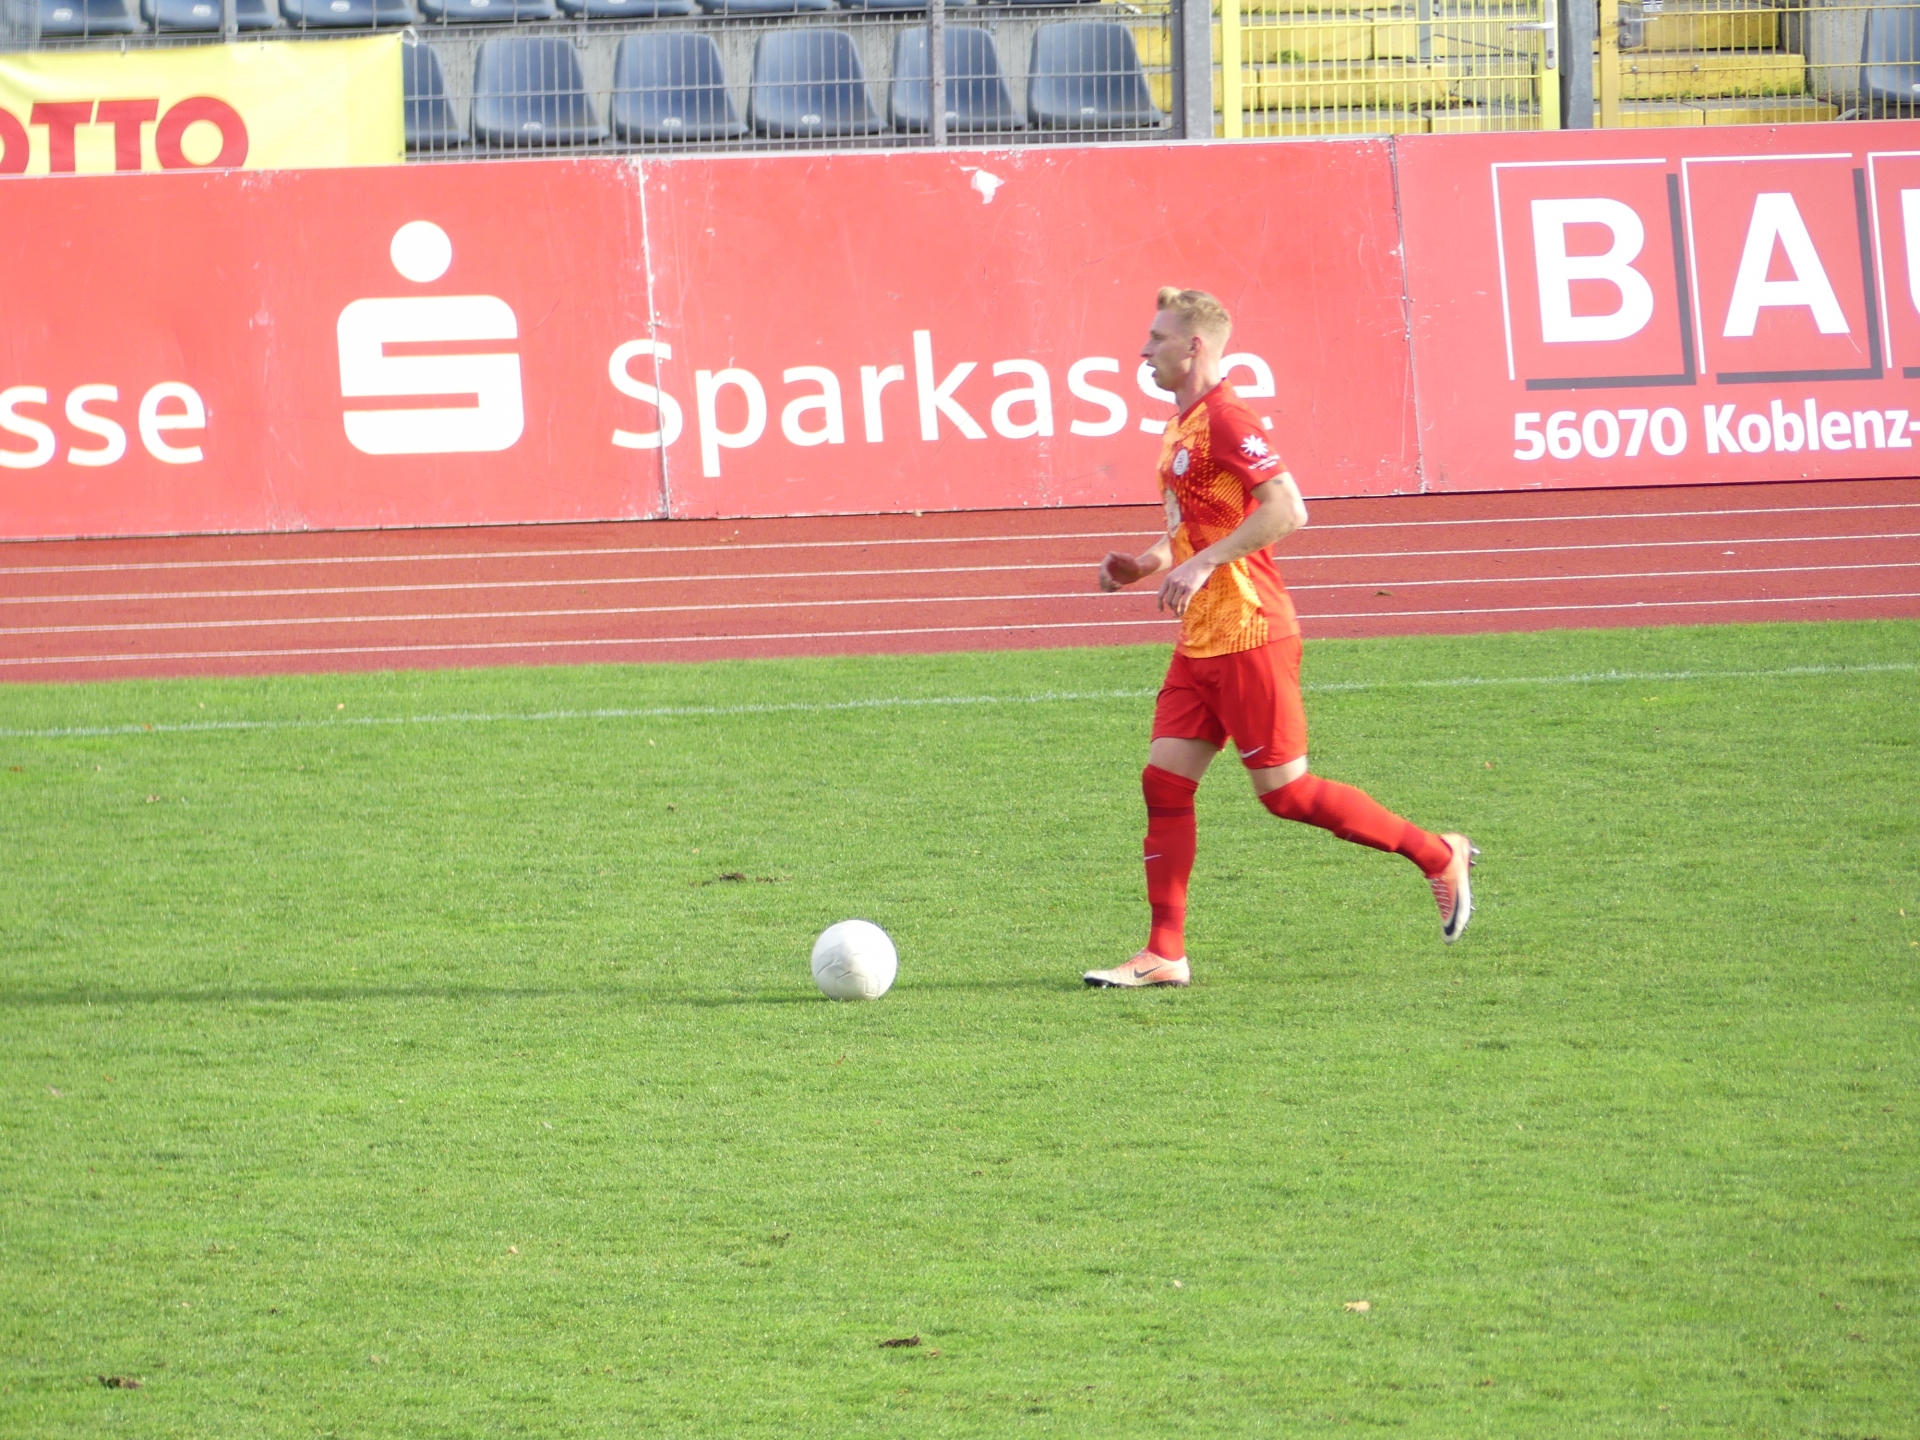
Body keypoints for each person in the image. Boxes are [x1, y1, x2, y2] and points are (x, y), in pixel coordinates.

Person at [1082, 287, 1476, 989]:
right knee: (1164, 783)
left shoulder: (1227, 419)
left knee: (1286, 795)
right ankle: (1164, 953)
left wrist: (1203, 563)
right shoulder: (1182, 426)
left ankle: (1437, 853)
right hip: (1202, 638)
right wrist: (1146, 564)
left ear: (1193, 346)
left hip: (1250, 632)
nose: (1143, 351)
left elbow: (1288, 509)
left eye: (1157, 338)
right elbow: (1198, 528)